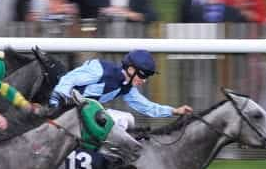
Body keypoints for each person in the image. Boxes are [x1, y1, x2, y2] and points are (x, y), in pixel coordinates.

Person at [49, 50, 193, 131]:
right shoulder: (99, 69)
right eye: (143, 75)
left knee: (128, 119)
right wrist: (55, 105)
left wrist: (174, 111)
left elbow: (146, 107)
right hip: (65, 113)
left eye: (147, 76)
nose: (144, 80)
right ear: (130, 69)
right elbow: (68, 80)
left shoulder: (127, 88)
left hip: (82, 115)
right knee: (122, 121)